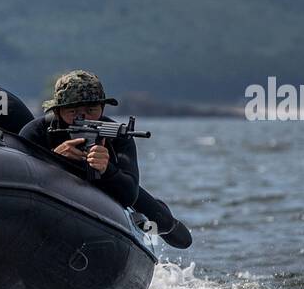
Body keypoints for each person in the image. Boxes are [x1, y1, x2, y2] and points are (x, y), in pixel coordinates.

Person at [20, 70, 192, 249]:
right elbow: (20, 176)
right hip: (51, 191)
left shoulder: (117, 135)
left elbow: (128, 194)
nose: (83, 117)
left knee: (164, 224)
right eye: (73, 111)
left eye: (91, 110)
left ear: (102, 108)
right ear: (57, 111)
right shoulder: (36, 133)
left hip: (105, 188)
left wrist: (106, 169)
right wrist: (53, 159)